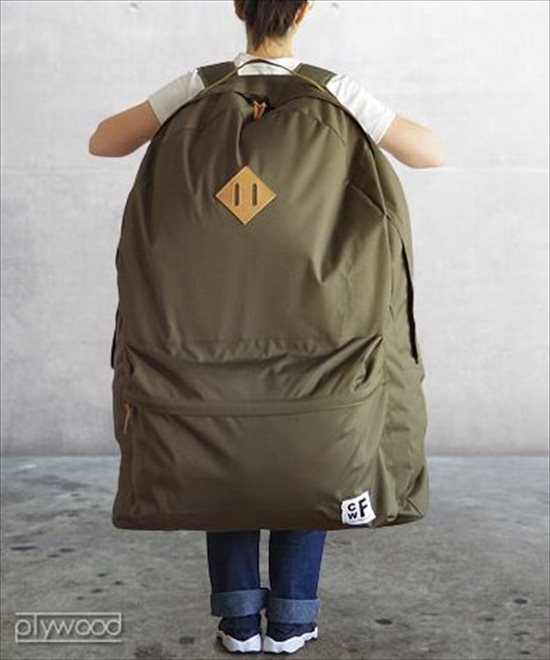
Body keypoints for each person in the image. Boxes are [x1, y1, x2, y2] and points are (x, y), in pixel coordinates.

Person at [89, 0, 445, 654]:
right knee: (310, 435)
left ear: (237, 7)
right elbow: (430, 152)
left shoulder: (196, 88)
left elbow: (102, 141)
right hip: (319, 336)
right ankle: (292, 620)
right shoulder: (335, 92)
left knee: (216, 431)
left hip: (202, 332)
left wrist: (188, 91)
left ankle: (238, 622)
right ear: (304, 10)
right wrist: (348, 101)